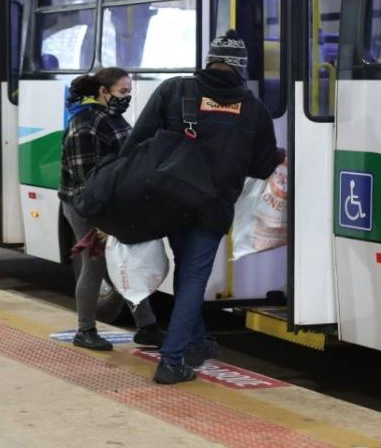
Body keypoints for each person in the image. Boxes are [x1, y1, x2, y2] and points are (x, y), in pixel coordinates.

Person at [123, 30, 282, 385]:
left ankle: (193, 344)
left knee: (186, 271)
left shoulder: (175, 90)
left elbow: (137, 141)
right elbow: (261, 166)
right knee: (194, 276)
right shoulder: (254, 108)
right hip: (212, 206)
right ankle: (172, 359)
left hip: (169, 200)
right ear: (241, 67)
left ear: (209, 61)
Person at [58, 68, 164, 351]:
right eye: (122, 91)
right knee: (95, 264)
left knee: (125, 262)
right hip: (86, 205)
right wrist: (102, 220)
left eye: (128, 92)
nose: (126, 98)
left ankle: (147, 327)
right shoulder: (84, 123)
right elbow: (85, 178)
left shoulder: (110, 117)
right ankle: (85, 330)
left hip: (111, 203)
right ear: (102, 92)